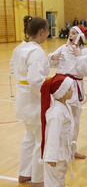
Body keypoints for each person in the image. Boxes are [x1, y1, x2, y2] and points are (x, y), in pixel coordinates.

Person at [10, 15, 50, 187]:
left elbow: (14, 65)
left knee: (29, 137)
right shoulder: (37, 52)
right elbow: (35, 80)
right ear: (42, 32)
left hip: (22, 96)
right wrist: (48, 95)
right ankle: (37, 178)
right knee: (40, 139)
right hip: (34, 100)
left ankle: (24, 173)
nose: (47, 35)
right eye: (47, 32)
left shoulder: (21, 47)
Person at [48, 25, 87, 159]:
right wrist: (52, 57)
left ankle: (72, 150)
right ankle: (57, 151)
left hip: (75, 85)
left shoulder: (85, 52)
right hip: (61, 84)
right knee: (58, 116)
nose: (70, 35)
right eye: (70, 33)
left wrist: (79, 56)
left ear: (80, 36)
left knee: (75, 119)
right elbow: (51, 63)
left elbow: (86, 72)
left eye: (74, 33)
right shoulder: (63, 48)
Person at [40, 74, 75, 187]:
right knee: (53, 183)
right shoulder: (56, 113)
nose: (72, 91)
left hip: (62, 153)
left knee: (59, 179)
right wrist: (51, 157)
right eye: (69, 89)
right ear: (62, 92)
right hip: (55, 156)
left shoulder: (66, 107)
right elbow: (52, 136)